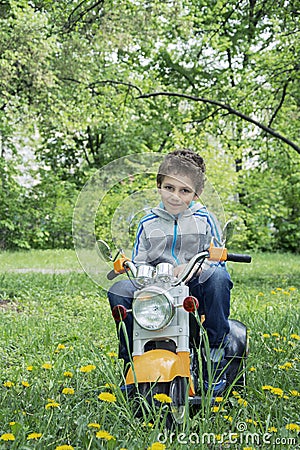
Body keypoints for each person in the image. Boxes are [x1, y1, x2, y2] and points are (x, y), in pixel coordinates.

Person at [108, 149, 232, 395]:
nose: (175, 196)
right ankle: (131, 357)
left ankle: (214, 353)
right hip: (156, 286)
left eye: (184, 191)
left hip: (194, 285)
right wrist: (137, 269)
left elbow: (217, 257)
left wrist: (195, 267)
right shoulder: (147, 222)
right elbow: (139, 260)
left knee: (219, 278)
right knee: (120, 290)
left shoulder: (206, 220)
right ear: (159, 186)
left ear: (196, 194)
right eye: (169, 188)